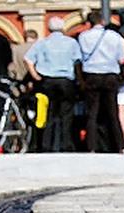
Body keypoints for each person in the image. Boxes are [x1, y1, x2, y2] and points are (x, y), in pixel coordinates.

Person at [25, 17, 82, 153]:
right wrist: (79, 80)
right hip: (66, 81)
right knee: (66, 114)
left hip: (47, 81)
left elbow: (27, 59)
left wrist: (35, 75)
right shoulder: (71, 42)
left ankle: (46, 144)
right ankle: (65, 144)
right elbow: (77, 62)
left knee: (48, 113)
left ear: (49, 28)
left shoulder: (42, 43)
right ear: (63, 28)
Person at [78, 10, 124, 153]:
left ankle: (91, 146)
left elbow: (80, 58)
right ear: (103, 21)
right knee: (112, 112)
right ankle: (119, 146)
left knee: (92, 112)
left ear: (89, 23)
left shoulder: (83, 36)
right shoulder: (114, 36)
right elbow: (121, 58)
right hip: (110, 75)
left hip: (91, 75)